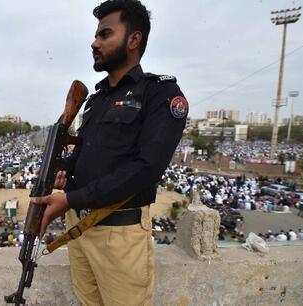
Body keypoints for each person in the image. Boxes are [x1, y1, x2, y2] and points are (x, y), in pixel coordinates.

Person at [30, 1, 187, 304]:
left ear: (133, 40)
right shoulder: (96, 100)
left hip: (120, 236)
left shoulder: (160, 93)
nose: (94, 42)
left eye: (105, 34)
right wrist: (63, 170)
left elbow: (147, 169)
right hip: (79, 229)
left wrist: (70, 200)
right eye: (96, 35)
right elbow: (84, 156)